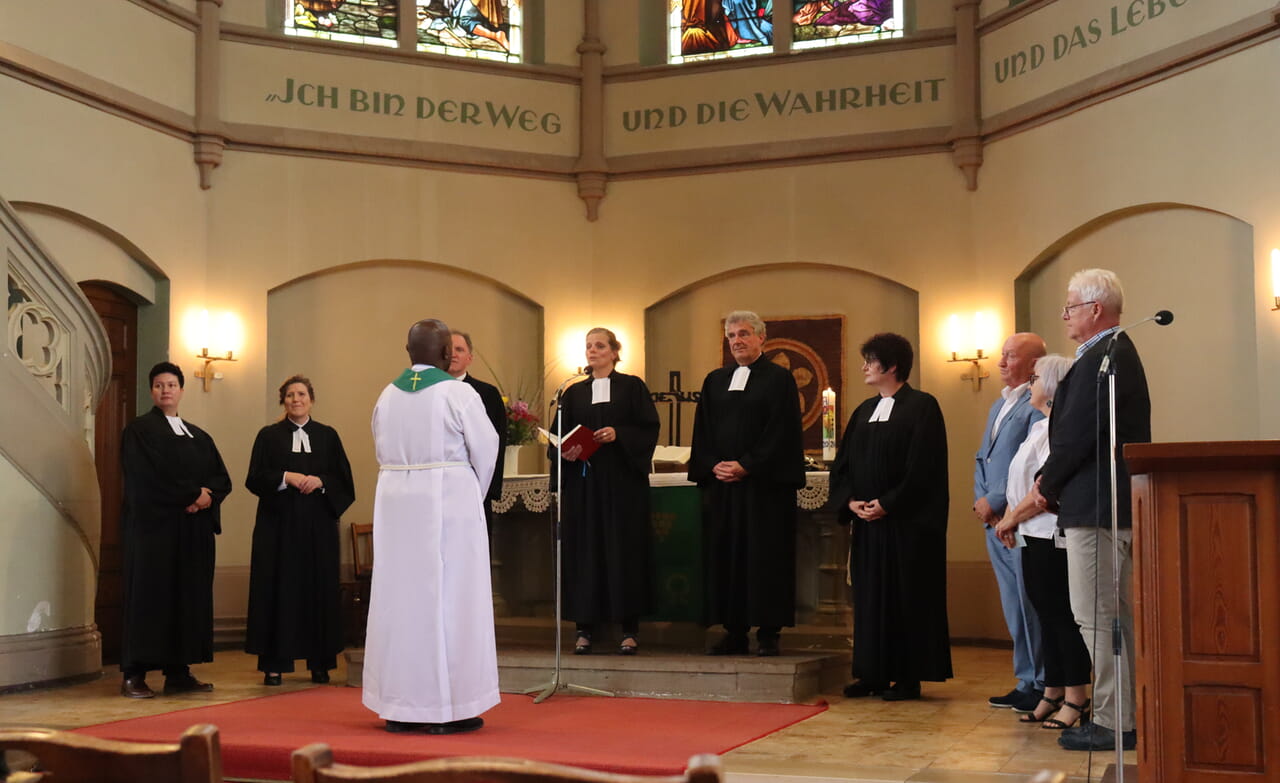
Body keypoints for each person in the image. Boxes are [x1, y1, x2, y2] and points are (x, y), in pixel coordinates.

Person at [363, 319, 500, 734]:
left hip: (396, 504)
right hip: (448, 502)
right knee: (452, 599)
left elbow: (379, 447)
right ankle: (449, 707)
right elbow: (487, 451)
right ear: (445, 354)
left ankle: (401, 708)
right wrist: (466, 498)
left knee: (400, 601)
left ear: (408, 353)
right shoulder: (459, 393)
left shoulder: (387, 395)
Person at [1036, 269, 1150, 752]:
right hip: (1101, 505)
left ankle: (1112, 720)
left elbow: (1077, 434)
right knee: (1109, 617)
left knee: (1098, 617)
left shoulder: (1106, 357)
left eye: (1071, 307)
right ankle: (1119, 714)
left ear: (1095, 310)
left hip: (1098, 508)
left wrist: (1048, 483)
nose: (1066, 316)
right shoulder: (1108, 356)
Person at [829, 333, 952, 701]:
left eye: (870, 360)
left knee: (906, 597)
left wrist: (888, 503)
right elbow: (844, 464)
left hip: (906, 526)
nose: (864, 366)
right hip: (868, 526)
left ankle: (908, 676)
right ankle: (872, 674)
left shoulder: (922, 406)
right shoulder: (864, 411)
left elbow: (923, 468)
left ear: (893, 366)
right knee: (870, 600)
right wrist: (850, 501)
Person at [689, 311, 804, 657]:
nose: (736, 341)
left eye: (743, 334)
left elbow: (781, 431)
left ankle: (769, 632)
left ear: (760, 338)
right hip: (724, 489)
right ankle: (734, 630)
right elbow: (703, 430)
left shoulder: (779, 379)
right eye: (731, 336)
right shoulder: (715, 380)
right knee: (727, 558)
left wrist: (747, 465)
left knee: (765, 558)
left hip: (763, 490)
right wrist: (714, 465)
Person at [118, 362, 232, 699]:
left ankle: (179, 672)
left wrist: (207, 497)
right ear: (151, 391)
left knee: (187, 600)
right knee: (150, 600)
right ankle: (134, 674)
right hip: (155, 535)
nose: (165, 390)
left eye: (171, 384)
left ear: (181, 390)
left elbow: (221, 477)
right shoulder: (139, 431)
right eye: (158, 385)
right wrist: (191, 495)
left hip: (192, 534)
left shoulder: (199, 435)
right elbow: (145, 478)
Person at [994, 355, 1093, 730]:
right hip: (1031, 535)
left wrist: (1010, 518)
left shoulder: (1060, 430)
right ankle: (1051, 691)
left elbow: (1043, 491)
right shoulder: (1040, 427)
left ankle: (1076, 698)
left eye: (1035, 378)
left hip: (1051, 533)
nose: (1030, 383)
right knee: (1045, 617)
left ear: (1052, 386)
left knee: (1062, 618)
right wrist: (1013, 521)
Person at [553, 328, 660, 655]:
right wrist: (566, 451)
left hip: (622, 487)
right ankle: (585, 627)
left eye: (600, 346)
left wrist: (619, 434)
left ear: (615, 352)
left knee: (622, 551)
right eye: (588, 346)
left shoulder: (631, 387)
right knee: (585, 552)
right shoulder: (572, 393)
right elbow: (559, 437)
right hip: (585, 488)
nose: (592, 351)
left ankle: (629, 628)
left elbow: (648, 429)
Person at [244, 375, 355, 686]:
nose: (296, 399)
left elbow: (344, 481)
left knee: (317, 592)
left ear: (311, 399)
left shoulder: (328, 436)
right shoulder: (268, 436)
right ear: (283, 401)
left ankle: (320, 664)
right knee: (277, 592)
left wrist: (321, 481)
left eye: (301, 394)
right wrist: (286, 476)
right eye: (290, 395)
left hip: (317, 530)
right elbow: (254, 478)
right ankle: (274, 666)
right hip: (277, 530)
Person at [974, 333, 1047, 713]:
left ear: (1034, 365)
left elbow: (1029, 462)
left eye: (1010, 356)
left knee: (1029, 603)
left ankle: (1040, 680)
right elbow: (982, 458)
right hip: (994, 521)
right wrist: (981, 501)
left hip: (1019, 521)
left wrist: (999, 502)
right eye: (1001, 355)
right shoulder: (997, 406)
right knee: (1011, 605)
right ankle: (1025, 678)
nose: (1000, 362)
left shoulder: (1035, 407)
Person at [448, 330, 507, 530]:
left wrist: (486, 489)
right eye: (448, 349)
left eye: (459, 349)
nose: (453, 354)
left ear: (469, 358)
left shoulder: (486, 393)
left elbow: (496, 441)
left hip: (473, 487)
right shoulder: (429, 392)